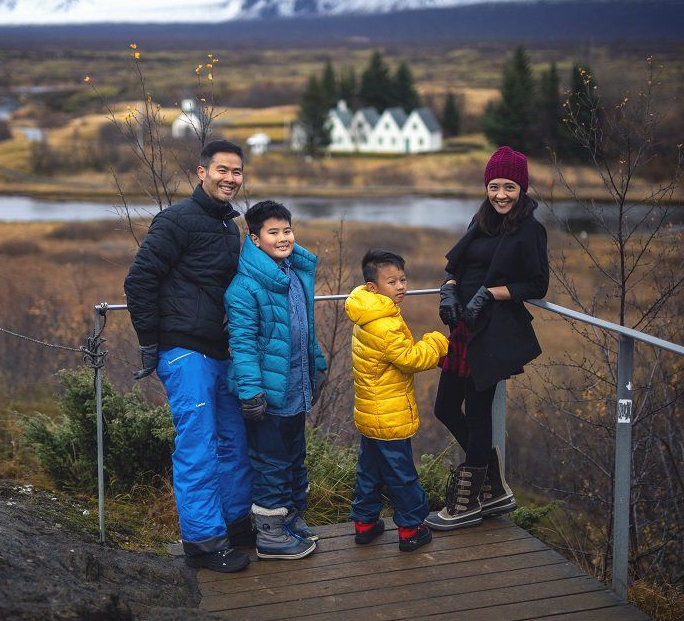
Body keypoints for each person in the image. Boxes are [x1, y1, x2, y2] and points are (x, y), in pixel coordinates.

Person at [124, 139, 253, 573]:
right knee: (198, 446)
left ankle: (235, 525)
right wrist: (149, 341)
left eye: (236, 172)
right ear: (202, 172)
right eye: (222, 170)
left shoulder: (227, 226)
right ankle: (202, 541)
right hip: (184, 352)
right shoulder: (177, 220)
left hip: (221, 352)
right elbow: (139, 279)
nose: (230, 179)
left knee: (233, 443)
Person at [425, 146, 549, 531]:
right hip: (463, 326)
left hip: (492, 332)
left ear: (522, 188)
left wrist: (491, 294)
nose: (501, 195)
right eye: (494, 186)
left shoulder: (530, 229)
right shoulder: (480, 220)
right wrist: (449, 289)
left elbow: (538, 284)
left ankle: (467, 503)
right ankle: (493, 487)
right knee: (445, 407)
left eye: (509, 187)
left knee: (478, 415)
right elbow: (459, 267)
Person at [225, 200, 327, 560]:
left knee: (294, 457)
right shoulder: (245, 287)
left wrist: (317, 364)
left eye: (287, 230)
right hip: (267, 396)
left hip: (296, 388)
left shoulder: (294, 276)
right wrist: (251, 393)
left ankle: (290, 518)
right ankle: (269, 533)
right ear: (254, 239)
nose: (283, 238)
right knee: (270, 462)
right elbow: (242, 344)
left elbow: (304, 330)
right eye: (273, 232)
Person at [345, 250, 449, 552]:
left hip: (369, 413)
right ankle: (411, 528)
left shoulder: (367, 313)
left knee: (370, 470)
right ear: (372, 287)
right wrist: (437, 342)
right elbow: (410, 359)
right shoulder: (385, 323)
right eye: (392, 281)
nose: (401, 286)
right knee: (402, 475)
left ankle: (365, 524)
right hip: (390, 417)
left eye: (403, 279)